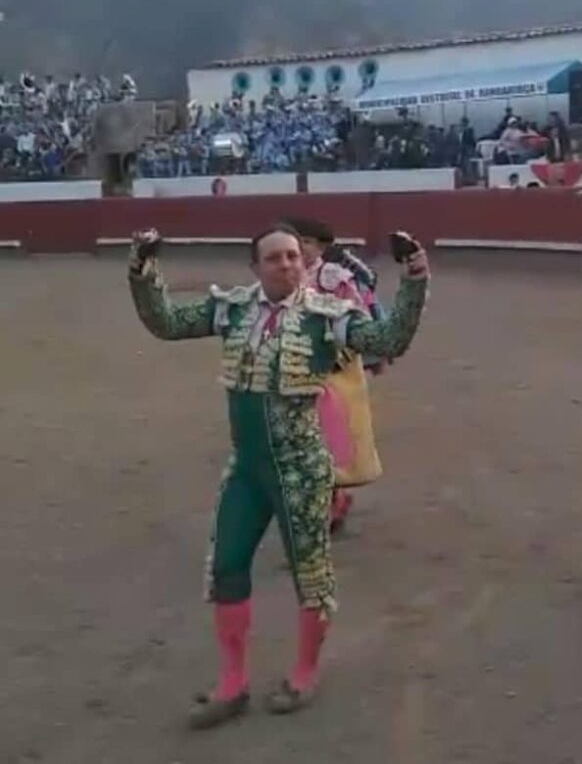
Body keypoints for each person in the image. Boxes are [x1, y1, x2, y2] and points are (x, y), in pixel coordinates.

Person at [128, 223, 428, 726]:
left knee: (311, 576)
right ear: (255, 267)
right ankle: (232, 683)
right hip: (247, 469)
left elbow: (390, 336)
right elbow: (166, 322)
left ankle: (305, 673)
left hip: (302, 469)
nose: (287, 264)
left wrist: (416, 277)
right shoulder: (234, 308)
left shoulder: (326, 317)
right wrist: (142, 270)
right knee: (225, 566)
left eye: (293, 256)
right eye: (275, 258)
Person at [281, 216, 383, 534]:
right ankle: (328, 499)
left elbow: (360, 317)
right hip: (296, 367)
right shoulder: (287, 277)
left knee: (328, 438)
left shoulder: (334, 277)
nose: (300, 249)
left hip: (335, 371)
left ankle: (330, 500)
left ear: (322, 246)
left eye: (307, 243)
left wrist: (360, 353)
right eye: (297, 243)